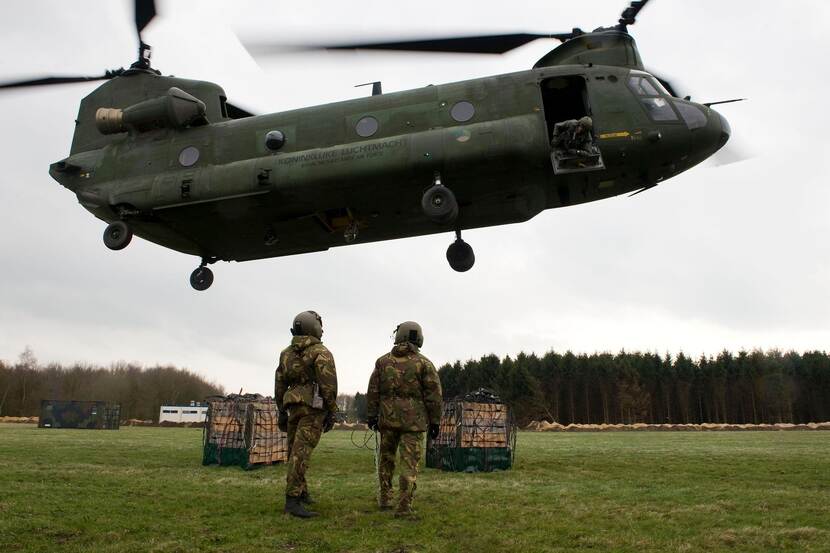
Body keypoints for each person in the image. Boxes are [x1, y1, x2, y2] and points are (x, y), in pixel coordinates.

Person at [366, 321, 443, 518]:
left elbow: (373, 391)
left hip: (387, 420)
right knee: (410, 464)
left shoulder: (382, 362)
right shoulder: (424, 363)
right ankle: (403, 506)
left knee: (386, 459)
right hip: (413, 423)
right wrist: (435, 421)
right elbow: (434, 396)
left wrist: (372, 416)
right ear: (418, 338)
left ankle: (385, 498)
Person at [275, 310, 338, 518]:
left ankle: (301, 492)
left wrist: (281, 410)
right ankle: (292, 501)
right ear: (315, 328)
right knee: (301, 454)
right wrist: (332, 410)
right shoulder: (321, 352)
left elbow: (280, 382)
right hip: (312, 408)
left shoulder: (286, 353)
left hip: (292, 406)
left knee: (294, 450)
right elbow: (328, 384)